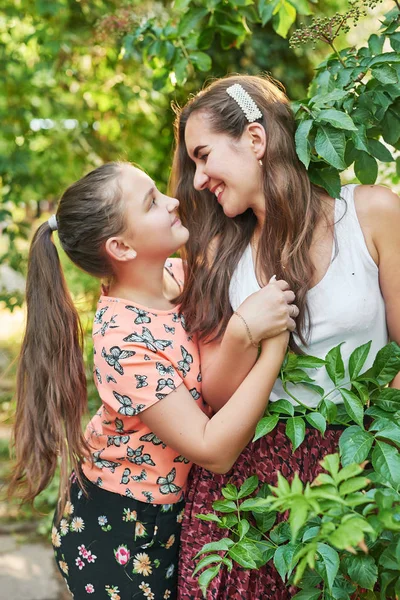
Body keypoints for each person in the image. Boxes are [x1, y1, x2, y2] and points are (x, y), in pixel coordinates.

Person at [9, 161, 298, 600]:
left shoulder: (179, 277)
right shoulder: (122, 342)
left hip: (171, 516)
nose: (173, 201)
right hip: (117, 530)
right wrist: (271, 348)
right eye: (152, 203)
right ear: (121, 247)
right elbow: (212, 449)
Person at [171, 74, 400, 599]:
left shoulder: (371, 214)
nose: (200, 178)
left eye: (204, 156)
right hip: (251, 485)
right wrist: (243, 332)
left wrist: (375, 475)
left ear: (255, 140)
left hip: (357, 466)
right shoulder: (221, 255)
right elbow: (219, 396)